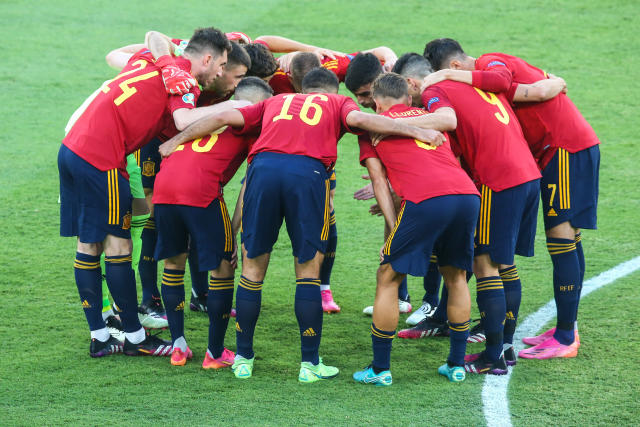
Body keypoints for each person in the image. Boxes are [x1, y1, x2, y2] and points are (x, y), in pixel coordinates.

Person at [158, 67, 445, 382]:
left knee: (252, 272)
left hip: (262, 172)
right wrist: (418, 131)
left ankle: (243, 359)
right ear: (332, 91)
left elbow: (222, 118)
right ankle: (309, 365)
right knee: (308, 273)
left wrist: (177, 140)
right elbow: (361, 121)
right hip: (307, 176)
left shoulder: (275, 101)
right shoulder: (337, 104)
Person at [422, 38, 599, 359]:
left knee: (562, 241)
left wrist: (446, 78)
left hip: (562, 149)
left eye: (447, 74)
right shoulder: (489, 87)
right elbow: (530, 89)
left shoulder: (490, 62)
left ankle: (565, 336)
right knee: (569, 241)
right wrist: (550, 84)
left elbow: (503, 81)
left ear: (456, 67)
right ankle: (566, 328)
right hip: (553, 154)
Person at [59, 27, 231, 357]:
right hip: (101, 158)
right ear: (207, 59)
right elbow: (183, 121)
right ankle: (136, 340)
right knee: (118, 245)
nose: (221, 73)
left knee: (89, 243)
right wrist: (235, 107)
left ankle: (100, 337)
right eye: (222, 66)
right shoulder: (185, 83)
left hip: (72, 149)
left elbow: (154, 34)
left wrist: (166, 61)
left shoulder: (155, 59)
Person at [390, 53, 541, 374]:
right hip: (528, 175)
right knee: (504, 264)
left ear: (411, 84)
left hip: (497, 180)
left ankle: (492, 356)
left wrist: (390, 124)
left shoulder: (435, 92)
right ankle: (505, 347)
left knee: (485, 265)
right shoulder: (469, 86)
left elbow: (446, 122)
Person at [352, 73, 480, 385]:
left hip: (426, 199)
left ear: (378, 103)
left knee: (388, 277)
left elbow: (379, 181)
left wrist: (394, 224)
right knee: (456, 276)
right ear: (409, 99)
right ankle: (455, 364)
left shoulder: (372, 127)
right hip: (466, 195)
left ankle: (380, 369)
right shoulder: (429, 117)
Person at [152, 77, 273, 367]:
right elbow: (250, 183)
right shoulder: (252, 126)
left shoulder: (205, 114)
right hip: (201, 192)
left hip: (163, 190)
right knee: (223, 269)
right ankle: (215, 353)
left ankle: (178, 347)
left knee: (173, 265)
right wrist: (232, 230)